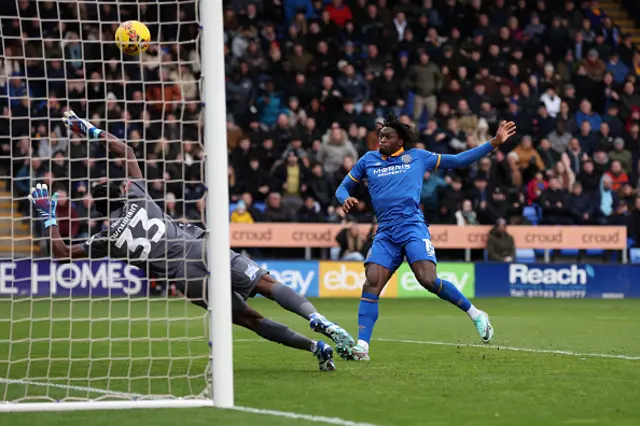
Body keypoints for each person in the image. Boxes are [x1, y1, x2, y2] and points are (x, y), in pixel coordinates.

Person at [29, 111, 356, 372]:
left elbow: (61, 254)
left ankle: (317, 348)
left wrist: (49, 216)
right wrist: (87, 129)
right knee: (267, 284)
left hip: (186, 277)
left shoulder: (108, 238)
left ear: (100, 210)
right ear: (121, 190)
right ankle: (318, 319)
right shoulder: (139, 196)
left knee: (250, 319)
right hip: (202, 247)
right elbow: (125, 149)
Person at [335, 115, 517, 360]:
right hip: (386, 232)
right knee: (371, 282)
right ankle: (362, 347)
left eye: (387, 136)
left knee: (427, 279)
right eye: (380, 136)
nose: (382, 140)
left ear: (400, 139)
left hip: (412, 227)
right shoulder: (369, 160)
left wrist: (493, 143)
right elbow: (342, 187)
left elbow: (459, 160)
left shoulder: (418, 157)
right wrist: (344, 198)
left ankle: (476, 314)